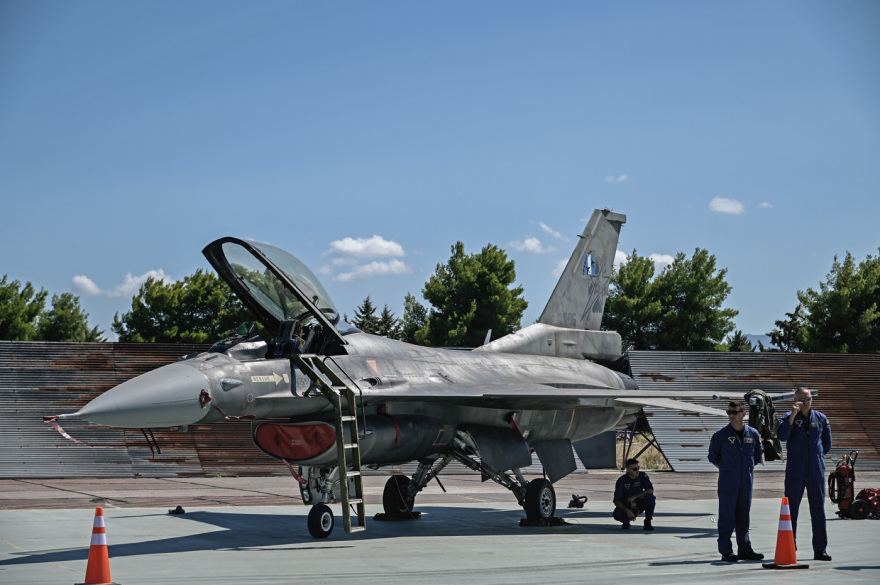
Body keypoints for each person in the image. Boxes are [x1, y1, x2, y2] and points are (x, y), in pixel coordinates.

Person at [777, 386, 832, 561]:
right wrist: (793, 416)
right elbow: (782, 436)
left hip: (816, 469)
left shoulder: (821, 418)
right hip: (796, 470)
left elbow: (827, 444)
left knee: (818, 510)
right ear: (795, 401)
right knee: (791, 509)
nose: (805, 402)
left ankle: (820, 549)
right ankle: (790, 545)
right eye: (801, 399)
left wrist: (815, 457)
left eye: (808, 399)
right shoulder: (788, 417)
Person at [708, 400, 764, 562]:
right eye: (729, 412)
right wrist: (728, 470)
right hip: (728, 480)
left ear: (743, 414)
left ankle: (745, 549)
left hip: (746, 480)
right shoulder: (721, 435)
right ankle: (726, 551)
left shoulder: (752, 433)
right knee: (727, 516)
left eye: (734, 412)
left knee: (743, 516)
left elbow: (757, 456)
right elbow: (713, 457)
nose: (731, 415)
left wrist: (745, 470)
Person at [612, 458, 655, 530]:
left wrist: (634, 497)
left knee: (650, 497)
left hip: (639, 503)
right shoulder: (621, 481)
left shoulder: (642, 476)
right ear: (628, 469)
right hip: (627, 504)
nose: (637, 471)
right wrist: (627, 510)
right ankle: (626, 521)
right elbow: (617, 501)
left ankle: (648, 521)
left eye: (638, 468)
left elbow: (650, 490)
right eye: (634, 469)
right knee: (617, 515)